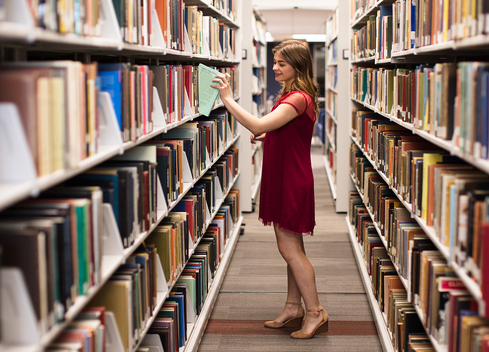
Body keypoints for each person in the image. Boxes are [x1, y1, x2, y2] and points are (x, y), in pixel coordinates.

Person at [211, 39, 328, 339]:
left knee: (289, 249)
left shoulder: (298, 98)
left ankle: (315, 312)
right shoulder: (293, 95)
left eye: (281, 64)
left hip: (291, 180)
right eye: (274, 62)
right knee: (293, 248)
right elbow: (282, 130)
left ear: (297, 67)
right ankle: (293, 307)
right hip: (284, 175)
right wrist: (271, 139)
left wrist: (227, 98)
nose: (274, 68)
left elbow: (257, 124)